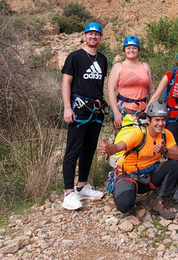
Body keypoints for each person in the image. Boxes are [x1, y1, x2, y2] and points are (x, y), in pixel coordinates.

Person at [98, 101, 178, 220]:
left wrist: (164, 150)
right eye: (157, 120)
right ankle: (125, 193)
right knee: (124, 205)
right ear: (148, 120)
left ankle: (159, 202)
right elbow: (117, 147)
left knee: (174, 165)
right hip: (130, 176)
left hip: (149, 176)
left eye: (163, 120)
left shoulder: (166, 134)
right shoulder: (138, 134)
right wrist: (108, 148)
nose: (161, 123)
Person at [61, 22, 108, 210]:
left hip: (95, 110)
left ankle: (81, 187)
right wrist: (67, 107)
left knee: (89, 149)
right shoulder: (75, 57)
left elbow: (99, 85)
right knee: (73, 150)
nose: (93, 37)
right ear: (84, 36)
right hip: (78, 109)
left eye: (97, 34)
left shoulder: (103, 59)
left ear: (101, 38)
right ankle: (68, 193)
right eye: (90, 34)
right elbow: (66, 82)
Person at [107, 36, 155, 166]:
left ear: (138, 50)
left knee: (142, 141)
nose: (131, 50)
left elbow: (152, 91)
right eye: (128, 48)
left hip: (142, 111)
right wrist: (116, 113)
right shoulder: (119, 67)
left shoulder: (145, 67)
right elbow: (111, 90)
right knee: (122, 141)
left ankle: (138, 169)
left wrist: (150, 110)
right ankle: (118, 172)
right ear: (124, 50)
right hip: (124, 110)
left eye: (134, 48)